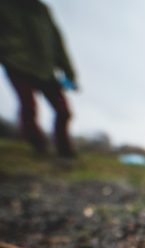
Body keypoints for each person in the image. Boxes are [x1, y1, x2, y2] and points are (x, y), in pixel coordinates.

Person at [0, 0, 77, 158]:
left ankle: (65, 151)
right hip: (17, 64)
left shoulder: (42, 10)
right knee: (29, 106)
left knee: (64, 111)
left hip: (45, 68)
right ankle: (39, 147)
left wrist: (69, 73)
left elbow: (57, 42)